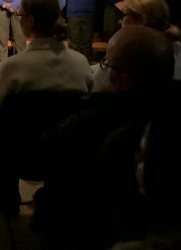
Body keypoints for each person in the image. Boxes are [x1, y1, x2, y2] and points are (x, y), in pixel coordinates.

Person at [38, 26, 175, 249]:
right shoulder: (170, 112)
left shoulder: (93, 121)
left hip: (94, 224)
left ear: (124, 80)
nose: (103, 69)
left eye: (106, 63)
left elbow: (44, 155)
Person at [0, 0, 91, 120]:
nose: (19, 19)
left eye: (20, 15)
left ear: (30, 20)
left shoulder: (12, 66)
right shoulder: (80, 62)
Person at [93, 0, 181, 91]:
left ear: (141, 20)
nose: (119, 21)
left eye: (123, 15)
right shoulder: (176, 49)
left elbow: (97, 84)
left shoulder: (128, 51)